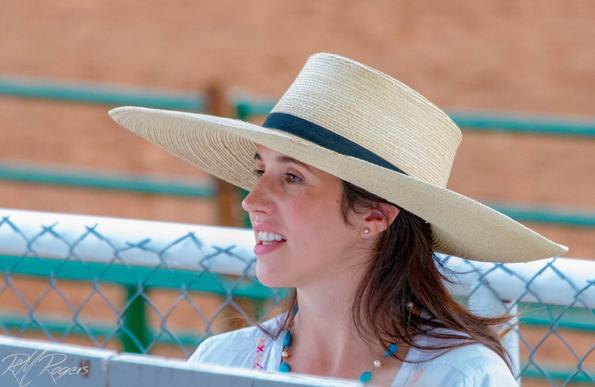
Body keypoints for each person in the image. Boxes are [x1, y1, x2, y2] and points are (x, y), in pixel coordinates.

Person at [108, 52, 568, 386]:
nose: (253, 200)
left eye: (291, 177)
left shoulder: (462, 378)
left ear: (374, 215)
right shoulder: (220, 361)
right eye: (260, 170)